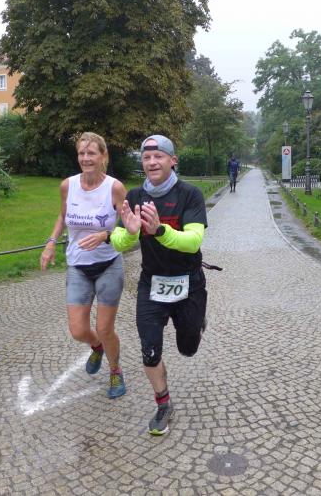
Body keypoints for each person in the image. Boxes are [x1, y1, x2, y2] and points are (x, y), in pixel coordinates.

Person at [111, 134, 209, 435]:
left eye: (159, 156)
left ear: (172, 160)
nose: (152, 162)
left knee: (188, 348)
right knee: (150, 350)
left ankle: (195, 322)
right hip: (151, 283)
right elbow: (118, 241)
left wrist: (159, 230)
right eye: (146, 157)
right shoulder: (135, 196)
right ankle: (163, 404)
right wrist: (130, 233)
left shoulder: (190, 194)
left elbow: (193, 241)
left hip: (188, 282)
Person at [40, 132, 128, 399]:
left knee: (104, 327)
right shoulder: (68, 185)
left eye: (91, 153)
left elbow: (128, 226)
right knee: (78, 330)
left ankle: (115, 370)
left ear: (103, 156)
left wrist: (105, 235)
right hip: (78, 265)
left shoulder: (115, 188)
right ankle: (97, 347)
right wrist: (51, 242)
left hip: (108, 264)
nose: (86, 158)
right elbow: (63, 214)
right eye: (81, 153)